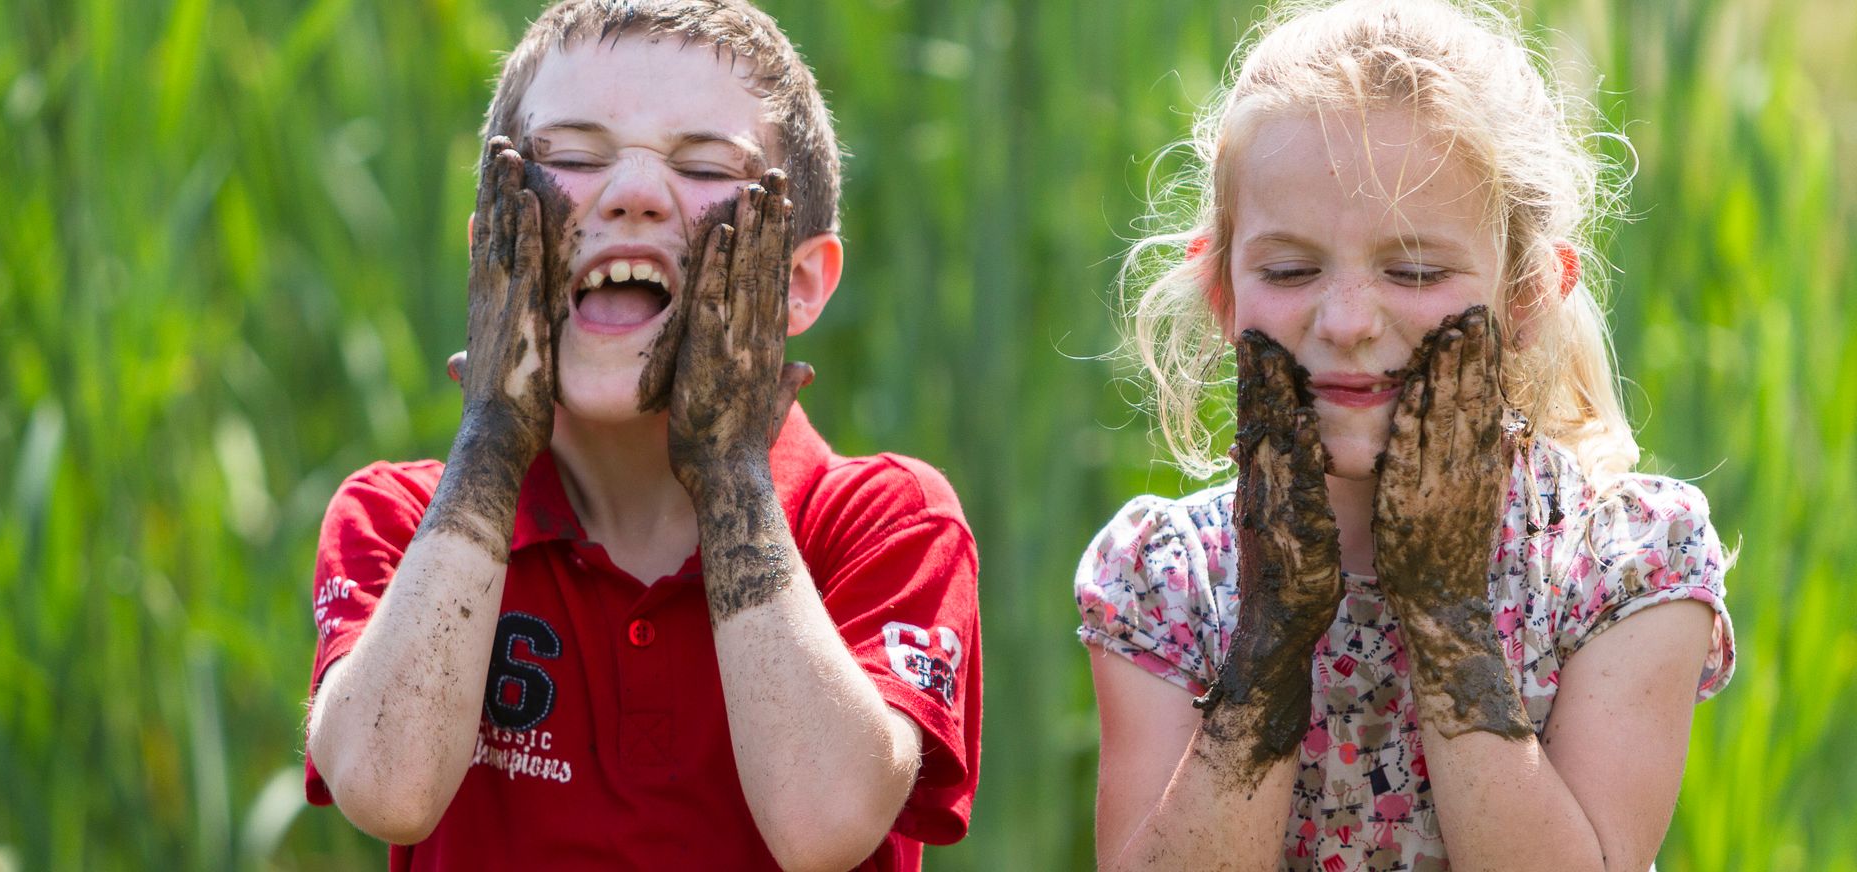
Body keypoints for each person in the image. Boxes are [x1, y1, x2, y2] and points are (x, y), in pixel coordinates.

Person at [301, 2, 981, 869]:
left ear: (801, 281)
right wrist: (493, 441)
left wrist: (731, 467)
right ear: (492, 253)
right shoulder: (398, 521)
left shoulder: (886, 520)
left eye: (702, 164)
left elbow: (826, 824)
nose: (631, 194)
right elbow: (387, 787)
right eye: (575, 156)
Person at [1075, 1, 1734, 869]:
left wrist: (1447, 616)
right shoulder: (1171, 576)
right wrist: (1268, 646)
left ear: (1529, 294)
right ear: (1223, 293)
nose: (1347, 320)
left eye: (1414, 271)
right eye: (1291, 269)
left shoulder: (1623, 563)